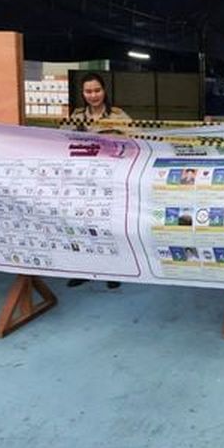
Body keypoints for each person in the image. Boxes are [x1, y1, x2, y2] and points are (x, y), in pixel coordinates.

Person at [67, 72, 129, 289]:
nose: (93, 95)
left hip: (110, 179)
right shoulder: (76, 117)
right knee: (83, 225)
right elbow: (60, 141)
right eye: (88, 91)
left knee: (108, 225)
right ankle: (86, 270)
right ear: (83, 93)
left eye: (97, 90)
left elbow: (137, 141)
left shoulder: (119, 116)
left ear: (104, 91)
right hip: (83, 180)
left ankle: (113, 271)